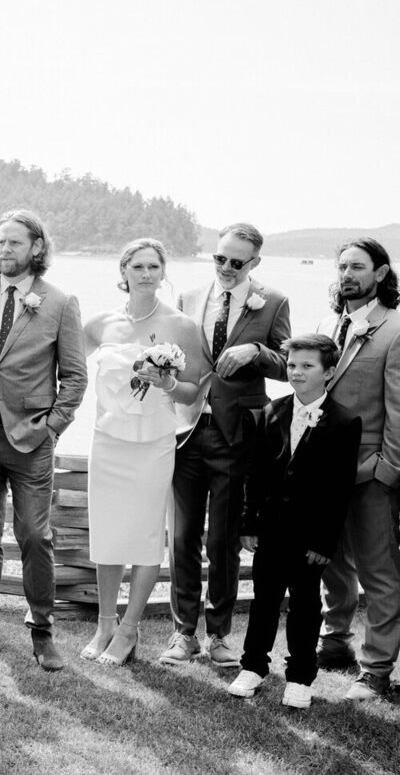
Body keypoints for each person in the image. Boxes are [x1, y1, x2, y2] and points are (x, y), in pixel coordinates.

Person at [0, 209, 87, 669]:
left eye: (14, 242)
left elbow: (74, 378)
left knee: (36, 535)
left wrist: (50, 427)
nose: (5, 249)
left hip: (32, 439)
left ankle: (42, 629)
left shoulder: (60, 301)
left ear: (37, 247)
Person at [165, 222, 290, 667]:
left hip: (237, 435)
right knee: (181, 537)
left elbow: (289, 365)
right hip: (187, 429)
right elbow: (176, 358)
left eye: (237, 262)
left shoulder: (273, 302)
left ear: (254, 263)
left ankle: (218, 634)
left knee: (222, 539)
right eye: (219, 258)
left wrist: (256, 350)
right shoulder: (189, 298)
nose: (226, 268)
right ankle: (184, 633)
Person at [80, 239, 206, 666]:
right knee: (108, 532)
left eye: (155, 266)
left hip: (154, 442)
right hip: (108, 438)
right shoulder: (100, 323)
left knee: (147, 535)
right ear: (124, 270)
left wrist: (167, 382)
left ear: (164, 271)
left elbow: (194, 395)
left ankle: (130, 629)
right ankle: (105, 622)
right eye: (138, 266)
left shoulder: (181, 326)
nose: (147, 273)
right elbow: (68, 368)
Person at [227, 334, 360, 709]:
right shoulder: (272, 412)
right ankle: (253, 665)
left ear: (329, 372)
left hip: (309, 536)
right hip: (270, 529)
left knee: (305, 605)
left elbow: (340, 490)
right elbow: (255, 473)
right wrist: (249, 523)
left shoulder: (345, 422)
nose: (297, 372)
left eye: (307, 366)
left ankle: (301, 675)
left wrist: (324, 542)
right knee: (264, 599)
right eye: (292, 365)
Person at [314, 238, 400, 700]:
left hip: (373, 470)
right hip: (327, 468)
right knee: (330, 560)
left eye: (358, 267)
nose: (347, 274)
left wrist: (387, 470)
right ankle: (335, 642)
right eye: (342, 266)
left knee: (379, 570)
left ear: (381, 274)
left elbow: (399, 410)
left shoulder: (395, 329)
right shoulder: (329, 322)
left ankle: (377, 668)